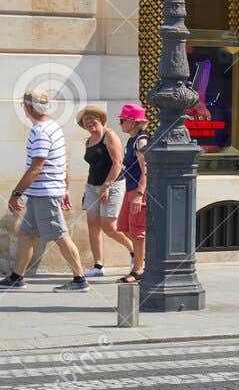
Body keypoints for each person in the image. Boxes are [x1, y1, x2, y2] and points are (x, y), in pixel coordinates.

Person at [1, 90, 88, 291]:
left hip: (44, 193)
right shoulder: (54, 127)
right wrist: (64, 188)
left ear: (28, 107)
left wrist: (16, 193)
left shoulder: (39, 131)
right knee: (26, 234)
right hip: (43, 192)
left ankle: (80, 279)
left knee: (59, 235)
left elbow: (37, 166)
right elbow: (62, 162)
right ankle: (17, 276)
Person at [77, 105, 133, 279]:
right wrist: (94, 188)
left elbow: (118, 162)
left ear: (100, 119)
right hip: (92, 185)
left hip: (112, 185)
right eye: (86, 119)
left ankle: (135, 251)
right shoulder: (88, 140)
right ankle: (98, 265)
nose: (89, 121)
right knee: (93, 225)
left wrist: (107, 186)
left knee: (109, 226)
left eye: (92, 117)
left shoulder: (109, 135)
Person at [113, 104, 151, 283]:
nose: (120, 124)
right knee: (125, 228)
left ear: (133, 122)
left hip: (137, 190)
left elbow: (146, 169)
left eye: (122, 121)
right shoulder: (132, 140)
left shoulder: (141, 141)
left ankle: (138, 269)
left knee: (137, 232)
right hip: (130, 189)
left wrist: (139, 194)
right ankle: (140, 263)